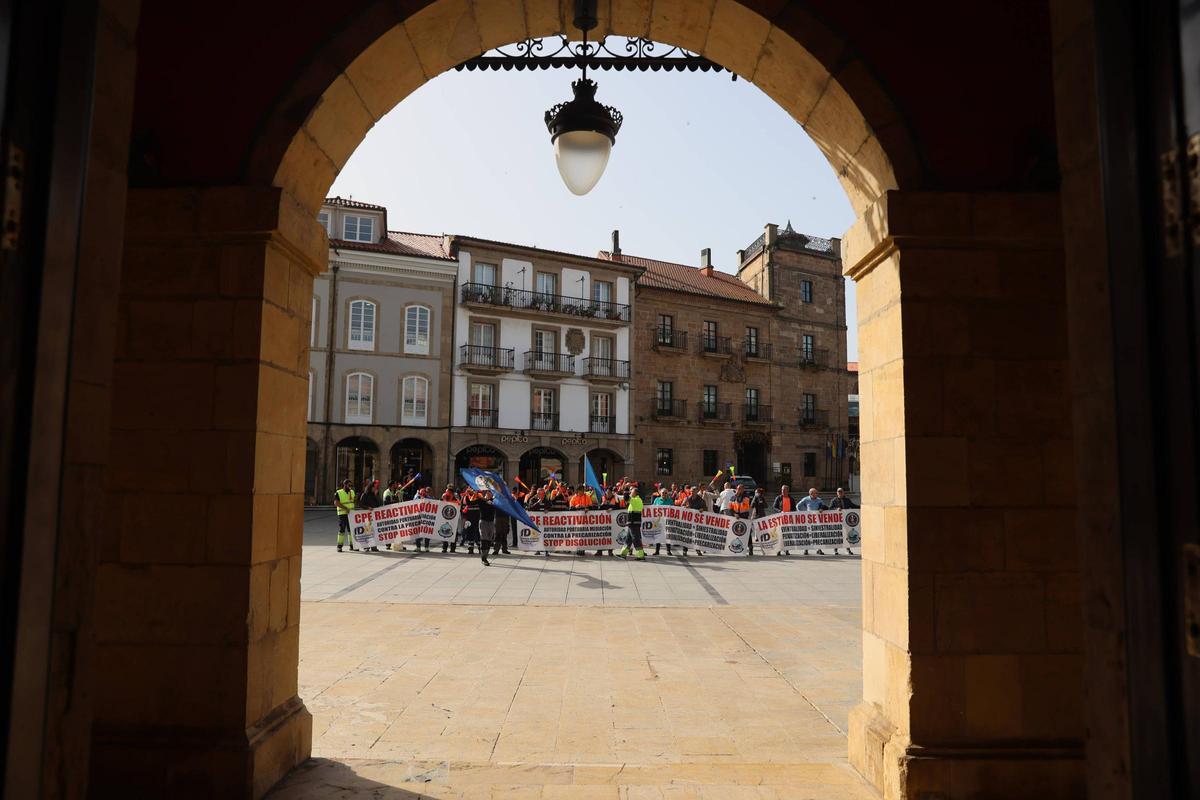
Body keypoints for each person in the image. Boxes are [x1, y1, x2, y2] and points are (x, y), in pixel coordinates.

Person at [617, 486, 646, 561]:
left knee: (635, 539)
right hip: (632, 523)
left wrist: (626, 489)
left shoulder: (636, 500)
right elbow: (626, 499)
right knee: (628, 540)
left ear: (635, 493)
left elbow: (626, 498)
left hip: (634, 523)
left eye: (631, 492)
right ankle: (623, 554)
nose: (630, 493)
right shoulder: (636, 500)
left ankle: (641, 555)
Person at [829, 488, 857, 555]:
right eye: (838, 491)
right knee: (837, 535)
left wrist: (861, 506)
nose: (840, 493)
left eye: (841, 491)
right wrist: (836, 509)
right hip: (837, 521)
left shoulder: (847, 500)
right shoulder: (834, 500)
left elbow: (853, 506)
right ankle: (835, 549)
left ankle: (848, 549)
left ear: (844, 492)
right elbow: (830, 508)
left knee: (847, 534)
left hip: (846, 520)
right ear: (837, 493)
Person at [799, 487, 828, 555]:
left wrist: (822, 509)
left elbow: (824, 507)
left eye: (817, 493)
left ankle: (819, 549)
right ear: (811, 493)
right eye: (816, 493)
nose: (817, 494)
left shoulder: (819, 500)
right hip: (809, 520)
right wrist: (801, 513)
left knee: (818, 535)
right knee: (808, 535)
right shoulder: (806, 499)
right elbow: (798, 506)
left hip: (817, 520)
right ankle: (806, 549)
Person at [334, 479, 357, 552]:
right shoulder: (339, 492)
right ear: (345, 485)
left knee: (351, 530)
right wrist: (345, 508)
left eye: (351, 485)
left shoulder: (352, 492)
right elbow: (336, 503)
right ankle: (339, 546)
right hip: (342, 514)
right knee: (342, 529)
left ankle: (352, 545)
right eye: (349, 485)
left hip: (351, 513)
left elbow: (353, 501)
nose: (350, 487)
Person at [773, 485, 796, 555]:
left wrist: (790, 513)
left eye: (784, 490)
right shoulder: (778, 498)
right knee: (779, 535)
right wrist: (780, 511)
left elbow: (794, 509)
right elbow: (774, 507)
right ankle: (778, 550)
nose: (783, 491)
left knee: (787, 535)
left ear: (787, 491)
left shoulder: (791, 499)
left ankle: (786, 550)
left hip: (788, 519)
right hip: (780, 519)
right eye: (782, 490)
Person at [360, 479, 381, 551]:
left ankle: (373, 546)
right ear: (370, 488)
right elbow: (361, 504)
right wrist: (368, 508)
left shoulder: (374, 495)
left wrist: (376, 495)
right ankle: (366, 546)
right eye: (373, 488)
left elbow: (378, 504)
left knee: (374, 531)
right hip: (367, 516)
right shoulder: (364, 495)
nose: (374, 489)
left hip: (374, 516)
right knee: (368, 531)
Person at [478, 490, 496, 565]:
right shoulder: (481, 501)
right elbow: (478, 498)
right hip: (484, 521)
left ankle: (486, 555)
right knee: (484, 539)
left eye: (491, 493)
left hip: (491, 522)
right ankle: (484, 558)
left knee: (489, 540)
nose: (489, 495)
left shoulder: (494, 502)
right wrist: (486, 501)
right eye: (488, 493)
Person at [440, 484, 458, 553]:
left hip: (453, 516)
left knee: (453, 532)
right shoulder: (444, 495)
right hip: (445, 516)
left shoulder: (455, 495)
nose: (449, 491)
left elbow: (459, 503)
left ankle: (453, 548)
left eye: (451, 490)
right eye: (449, 489)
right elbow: (440, 503)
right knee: (444, 530)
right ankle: (444, 547)